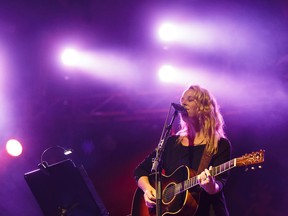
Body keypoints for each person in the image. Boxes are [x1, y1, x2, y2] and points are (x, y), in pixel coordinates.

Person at [133, 85, 231, 216]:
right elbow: (141, 170)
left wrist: (210, 185)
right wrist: (148, 190)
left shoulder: (220, 144)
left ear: (204, 107)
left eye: (190, 100)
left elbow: (218, 185)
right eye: (182, 100)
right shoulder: (172, 142)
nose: (183, 103)